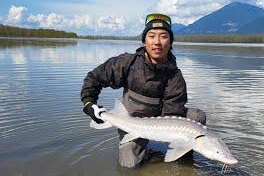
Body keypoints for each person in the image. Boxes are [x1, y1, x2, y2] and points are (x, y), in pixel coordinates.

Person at [81, 13, 206, 168]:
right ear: (144, 40)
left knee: (197, 117)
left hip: (161, 119)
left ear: (170, 42)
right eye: (151, 36)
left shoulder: (175, 77)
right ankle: (144, 151)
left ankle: (182, 158)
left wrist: (168, 136)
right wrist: (89, 103)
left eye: (163, 36)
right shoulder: (127, 63)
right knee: (129, 165)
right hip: (130, 120)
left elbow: (173, 113)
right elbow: (93, 79)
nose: (157, 42)